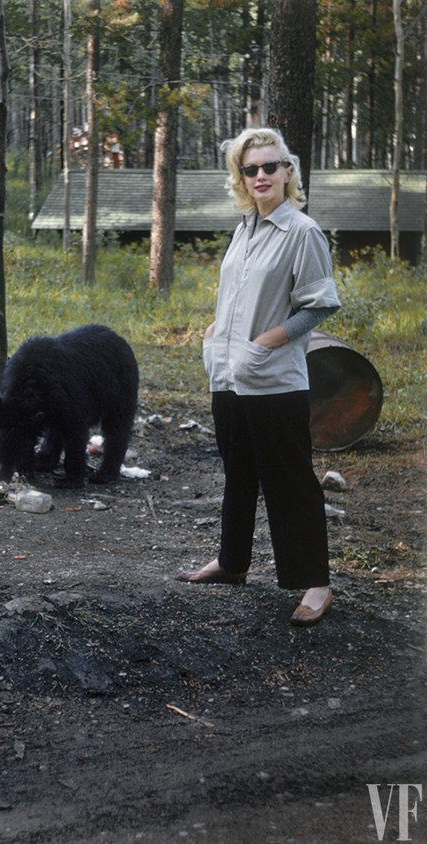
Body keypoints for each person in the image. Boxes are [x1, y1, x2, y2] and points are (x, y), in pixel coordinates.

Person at [177, 127, 341, 627]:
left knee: (290, 481)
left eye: (271, 166)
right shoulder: (245, 227)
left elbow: (320, 305)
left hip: (273, 380)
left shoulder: (302, 232)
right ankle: (232, 562)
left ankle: (315, 582)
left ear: (288, 172)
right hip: (228, 374)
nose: (262, 175)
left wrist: (264, 342)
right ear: (241, 178)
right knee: (238, 474)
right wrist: (217, 331)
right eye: (251, 169)